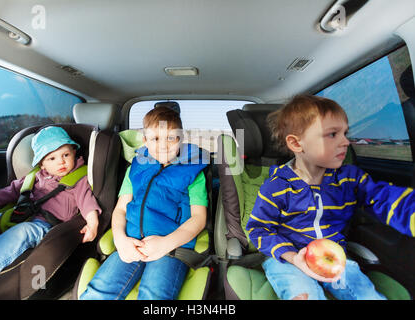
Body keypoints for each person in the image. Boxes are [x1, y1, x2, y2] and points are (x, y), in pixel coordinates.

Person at [246, 95, 414, 300]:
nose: (345, 142)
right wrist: (291, 257)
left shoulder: (349, 179)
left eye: (345, 133)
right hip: (288, 260)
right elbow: (258, 229)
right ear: (297, 144)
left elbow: (382, 198)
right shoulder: (276, 187)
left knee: (367, 295)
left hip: (334, 257)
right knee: (303, 295)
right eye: (332, 134)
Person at [80, 106, 209, 300]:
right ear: (145, 140)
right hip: (131, 242)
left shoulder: (192, 172)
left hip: (170, 248)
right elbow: (121, 209)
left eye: (171, 138)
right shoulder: (136, 169)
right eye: (155, 138)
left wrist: (165, 244)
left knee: (153, 295)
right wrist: (121, 240)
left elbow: (199, 218)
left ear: (181, 139)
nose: (163, 145)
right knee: (98, 292)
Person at [0, 126, 101, 296]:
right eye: (52, 158)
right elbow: (12, 190)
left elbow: (87, 202)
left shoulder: (78, 179)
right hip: (19, 215)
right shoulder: (36, 175)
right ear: (41, 163)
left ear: (74, 152)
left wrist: (93, 222)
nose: (61, 162)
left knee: (22, 233)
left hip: (43, 227)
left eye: (66, 155)